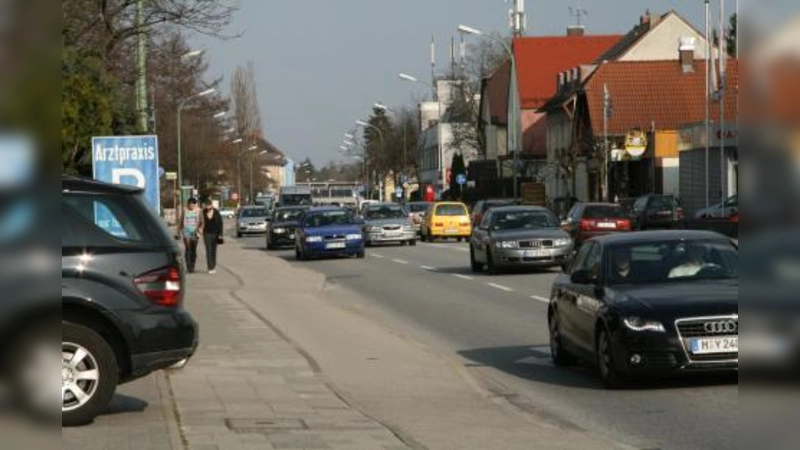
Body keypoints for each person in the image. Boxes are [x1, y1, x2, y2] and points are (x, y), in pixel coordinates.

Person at [201, 198, 224, 274]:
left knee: (213, 250)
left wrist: (220, 234)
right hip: (206, 233)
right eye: (206, 205)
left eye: (208, 205)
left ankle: (213, 266)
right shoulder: (203, 212)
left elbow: (220, 224)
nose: (207, 207)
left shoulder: (216, 212)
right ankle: (210, 267)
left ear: (211, 205)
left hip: (215, 233)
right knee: (208, 250)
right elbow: (200, 222)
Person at [180, 198, 202, 273]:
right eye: (190, 204)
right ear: (188, 204)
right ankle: (188, 265)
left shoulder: (199, 210)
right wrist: (178, 231)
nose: (191, 206)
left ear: (195, 204)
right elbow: (181, 220)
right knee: (188, 248)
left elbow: (202, 221)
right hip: (186, 231)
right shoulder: (184, 210)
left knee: (193, 249)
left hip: (195, 231)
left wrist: (200, 230)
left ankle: (193, 264)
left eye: (193, 204)